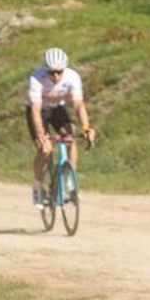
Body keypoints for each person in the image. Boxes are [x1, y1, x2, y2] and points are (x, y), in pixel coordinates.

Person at [25, 47, 96, 207]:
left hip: (58, 108)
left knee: (70, 137)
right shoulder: (36, 78)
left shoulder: (72, 77)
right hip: (39, 110)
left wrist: (86, 127)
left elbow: (78, 105)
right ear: (45, 70)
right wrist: (41, 135)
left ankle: (69, 183)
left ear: (65, 69)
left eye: (59, 72)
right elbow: (35, 110)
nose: (55, 76)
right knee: (45, 150)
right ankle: (37, 186)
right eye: (51, 72)